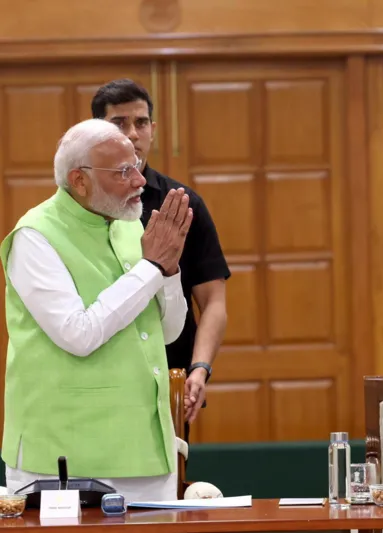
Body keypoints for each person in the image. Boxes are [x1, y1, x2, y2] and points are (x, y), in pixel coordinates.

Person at [0, 119, 191, 501]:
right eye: (123, 171)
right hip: (65, 452)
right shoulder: (35, 236)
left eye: (137, 164)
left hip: (146, 447)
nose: (140, 180)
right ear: (79, 180)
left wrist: (168, 272)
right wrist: (151, 268)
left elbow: (168, 332)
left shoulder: (130, 227)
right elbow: (78, 334)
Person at [91, 79, 230, 432]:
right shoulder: (83, 205)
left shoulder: (182, 203)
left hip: (168, 379)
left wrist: (200, 368)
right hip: (97, 378)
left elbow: (212, 300)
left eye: (140, 123)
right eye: (118, 124)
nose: (132, 133)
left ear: (153, 129)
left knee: (170, 483)